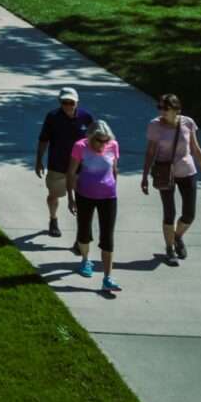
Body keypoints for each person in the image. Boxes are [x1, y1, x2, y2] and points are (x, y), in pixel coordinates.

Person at [142, 92, 201, 265]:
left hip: (187, 172)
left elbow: (196, 148)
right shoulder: (154, 125)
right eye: (159, 107)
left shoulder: (188, 122)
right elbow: (150, 152)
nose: (161, 111)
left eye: (165, 108)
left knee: (189, 214)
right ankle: (169, 249)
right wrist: (144, 176)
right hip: (165, 173)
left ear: (176, 109)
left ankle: (177, 237)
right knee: (169, 213)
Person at [69, 119, 124, 296]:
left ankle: (107, 278)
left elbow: (114, 169)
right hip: (84, 195)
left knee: (108, 236)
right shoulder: (80, 146)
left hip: (108, 197)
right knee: (84, 233)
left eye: (106, 140)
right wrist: (71, 197)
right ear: (91, 137)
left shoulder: (113, 145)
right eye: (99, 140)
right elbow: (70, 173)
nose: (103, 144)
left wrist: (114, 186)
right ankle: (85, 260)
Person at [32, 88, 94, 238]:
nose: (68, 105)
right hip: (57, 165)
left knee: (82, 200)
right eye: (64, 102)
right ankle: (53, 220)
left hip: (80, 167)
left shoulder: (86, 117)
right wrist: (39, 160)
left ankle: (80, 236)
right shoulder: (52, 117)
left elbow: (95, 139)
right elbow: (44, 139)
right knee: (54, 195)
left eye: (71, 102)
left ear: (77, 102)